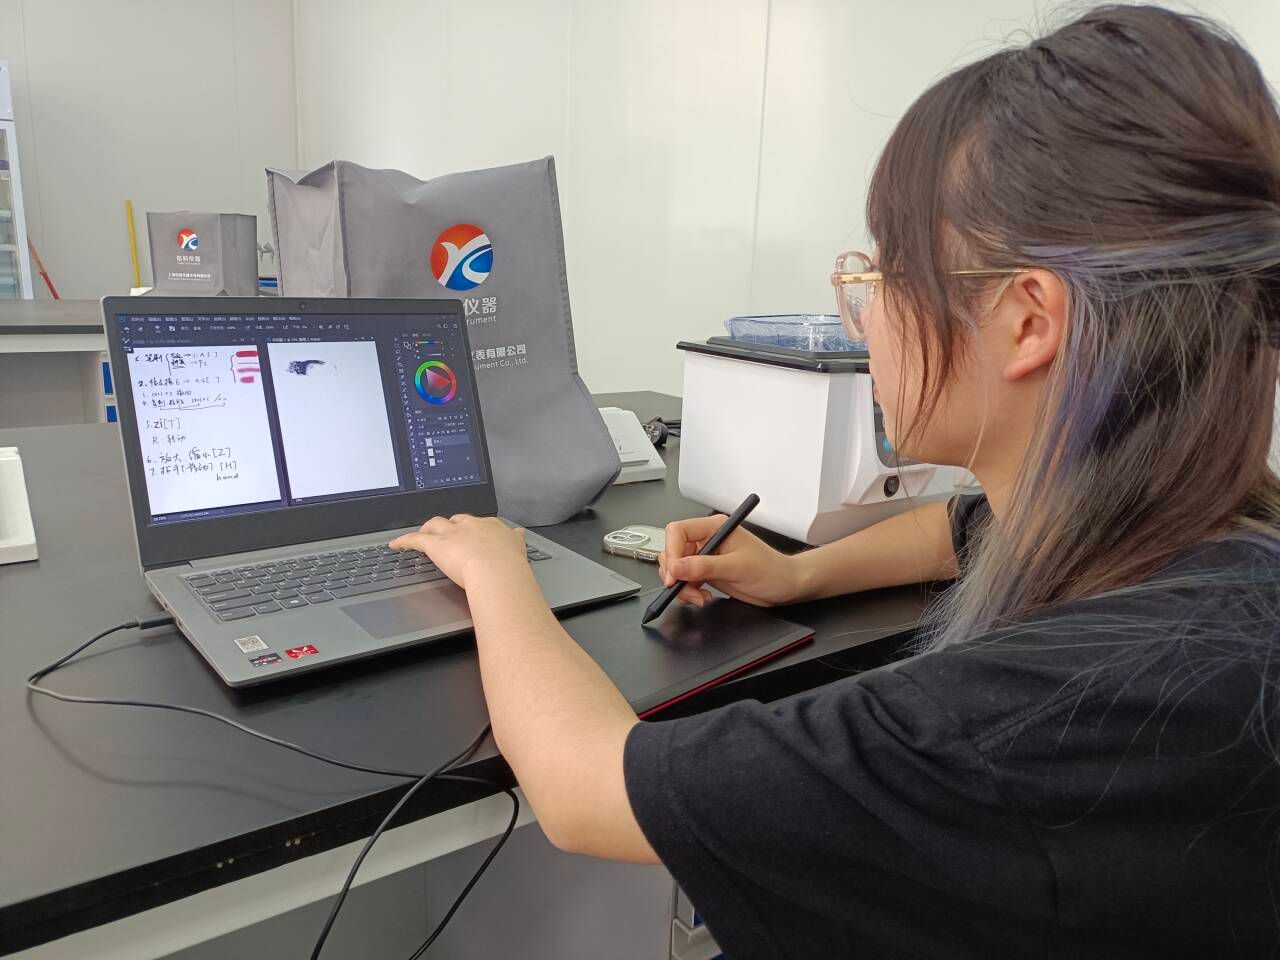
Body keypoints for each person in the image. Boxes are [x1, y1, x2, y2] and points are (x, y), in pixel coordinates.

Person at [389, 5, 1280, 956]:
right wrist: (799, 574)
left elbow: (583, 786)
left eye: (889, 272)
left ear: (1029, 321)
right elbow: (967, 527)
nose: (866, 316)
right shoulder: (1217, 546)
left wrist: (498, 569)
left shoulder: (1023, 722)